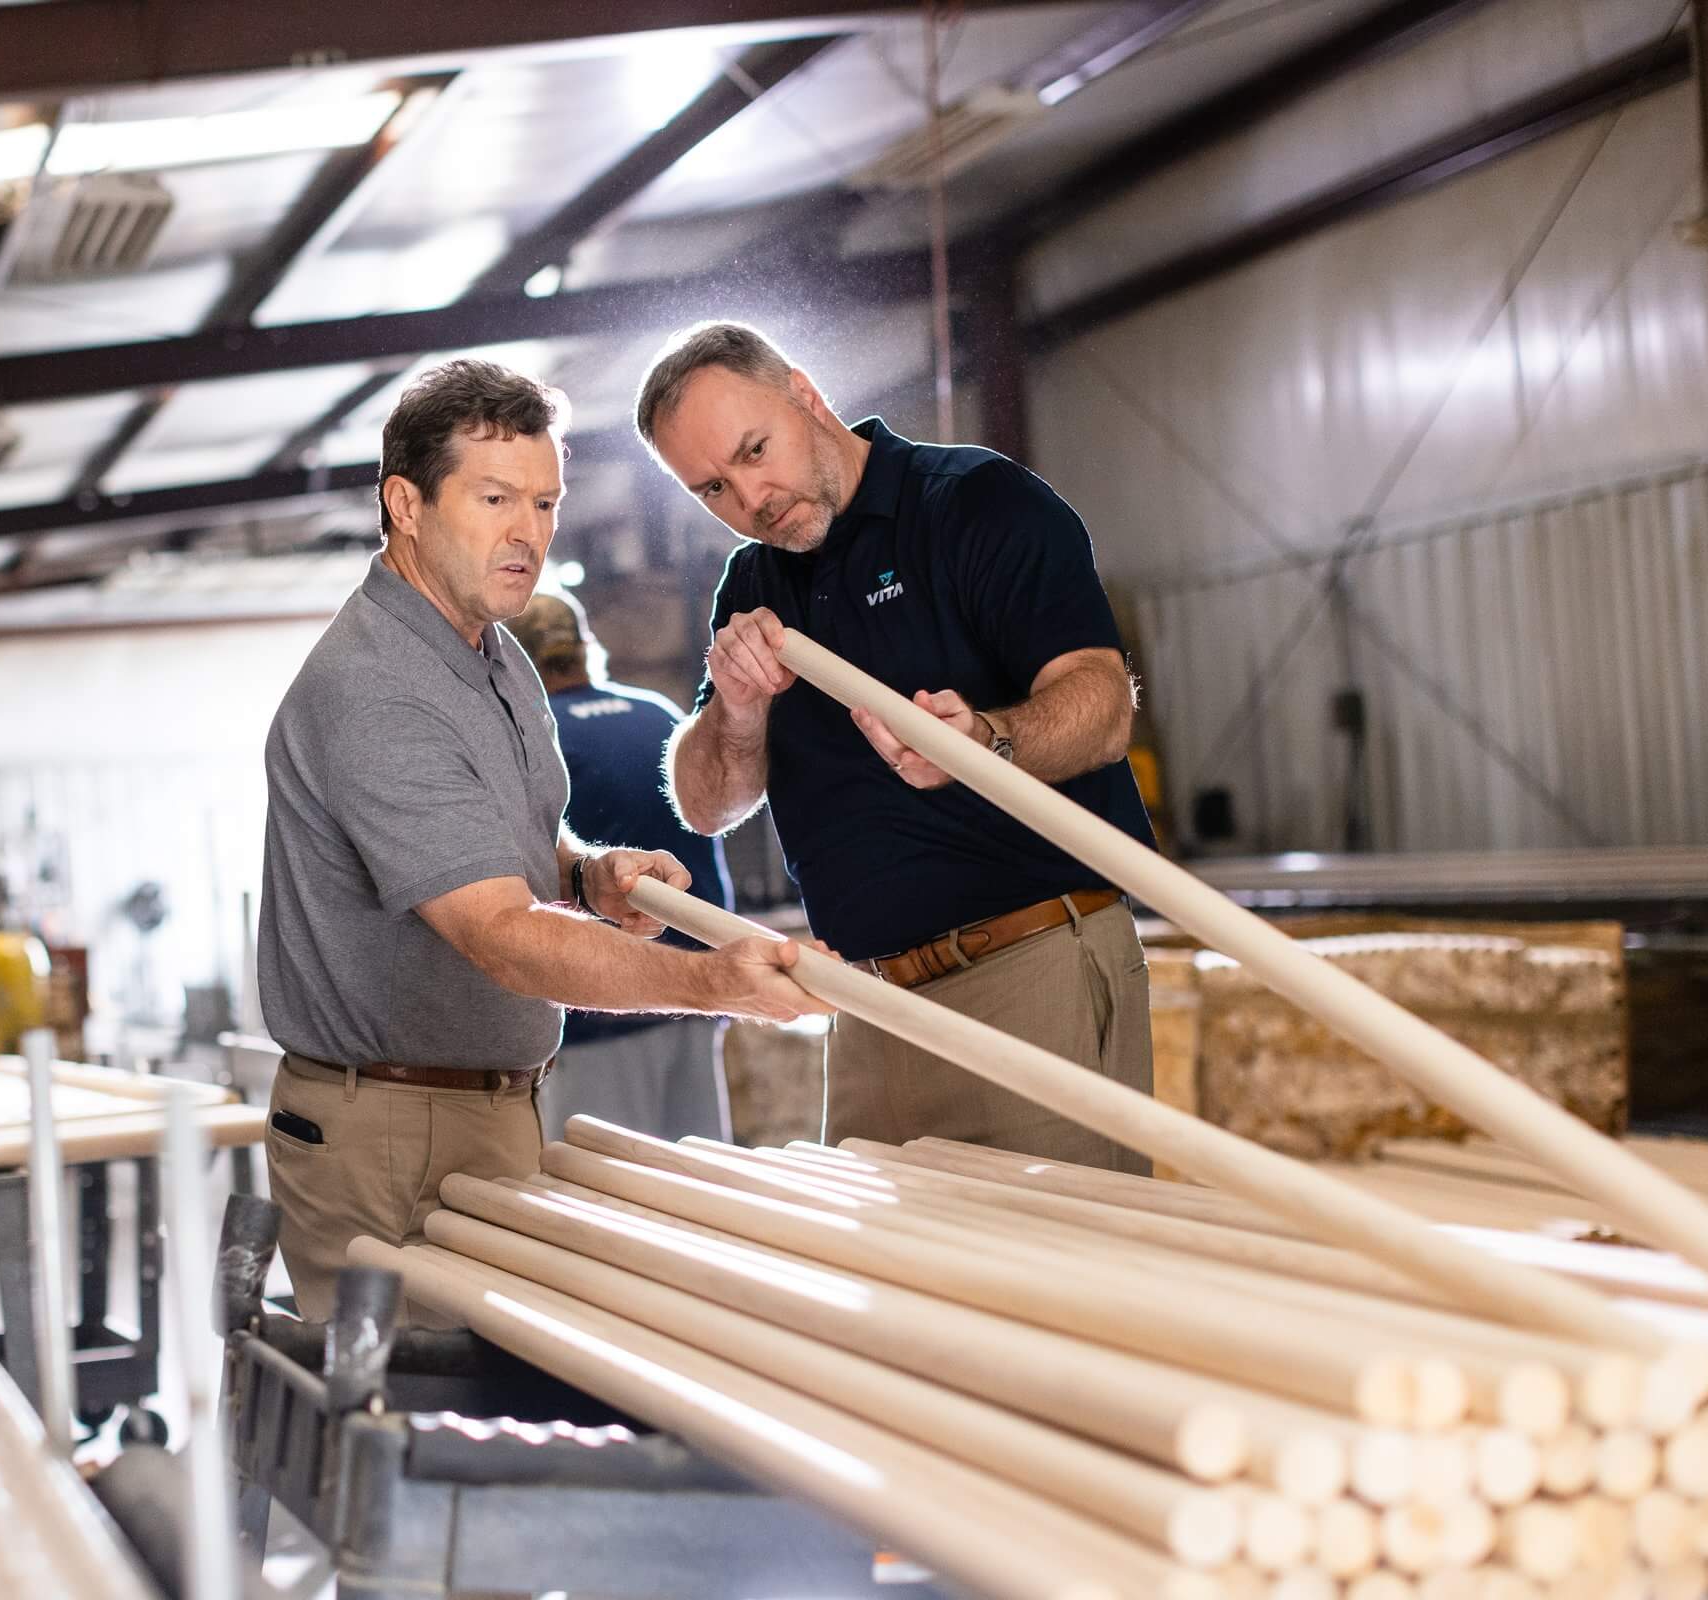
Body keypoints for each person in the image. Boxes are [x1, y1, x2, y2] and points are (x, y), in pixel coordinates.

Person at [257, 357, 833, 1318]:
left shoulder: (491, 648)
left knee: (492, 1410)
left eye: (544, 503)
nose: (528, 533)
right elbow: (500, 934)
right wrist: (707, 977)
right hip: (389, 1129)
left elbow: (510, 840)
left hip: (488, 1104)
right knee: (405, 1424)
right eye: (494, 498)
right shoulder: (374, 690)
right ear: (405, 503)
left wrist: (585, 873)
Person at [637, 321, 1155, 1170]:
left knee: (1062, 1286)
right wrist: (734, 710)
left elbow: (1101, 707)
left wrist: (989, 742)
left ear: (805, 393)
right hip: (867, 1003)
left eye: (756, 450)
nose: (751, 499)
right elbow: (708, 804)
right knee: (899, 1294)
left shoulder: (974, 502)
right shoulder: (752, 582)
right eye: (713, 490)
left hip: (1026, 970)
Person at [506, 590, 735, 1145]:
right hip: (696, 989)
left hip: (601, 1007)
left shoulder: (534, 737)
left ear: (512, 660)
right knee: (703, 1183)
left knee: (606, 1199)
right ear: (586, 648)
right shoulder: (657, 714)